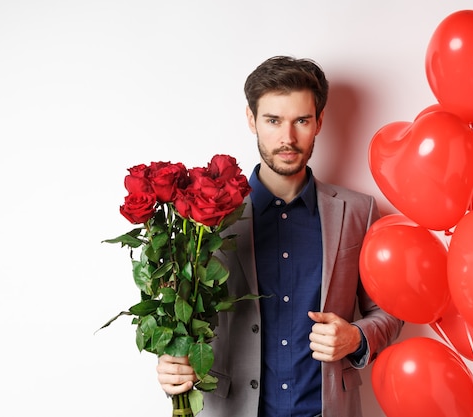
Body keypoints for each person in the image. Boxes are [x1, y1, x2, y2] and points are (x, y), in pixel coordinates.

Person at [156, 55, 403, 417]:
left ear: (319, 121)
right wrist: (172, 362)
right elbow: (182, 317)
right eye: (273, 120)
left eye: (301, 120)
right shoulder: (207, 217)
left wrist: (356, 336)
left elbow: (390, 311)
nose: (287, 138)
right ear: (251, 120)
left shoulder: (358, 211)